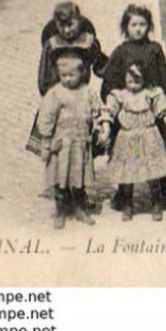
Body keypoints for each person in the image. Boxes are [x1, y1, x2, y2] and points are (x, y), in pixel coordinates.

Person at [100, 4, 166, 211]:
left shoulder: (155, 50)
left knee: (156, 152)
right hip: (127, 111)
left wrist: (163, 97)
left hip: (151, 110)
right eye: (134, 24)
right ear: (126, 27)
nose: (138, 29)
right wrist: (115, 102)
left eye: (143, 24)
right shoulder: (121, 52)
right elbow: (110, 81)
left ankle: (164, 194)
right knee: (125, 153)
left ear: (149, 26)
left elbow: (164, 76)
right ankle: (123, 196)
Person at [99, 63, 166, 222]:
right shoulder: (120, 95)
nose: (133, 85)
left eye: (137, 81)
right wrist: (106, 130)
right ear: (124, 80)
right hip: (128, 138)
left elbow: (164, 113)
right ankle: (127, 204)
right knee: (128, 173)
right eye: (129, 81)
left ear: (145, 80)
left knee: (153, 172)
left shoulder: (151, 94)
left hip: (148, 136)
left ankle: (156, 202)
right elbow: (109, 113)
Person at [36, 51, 102, 229]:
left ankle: (80, 207)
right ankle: (60, 209)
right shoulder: (56, 94)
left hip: (80, 144)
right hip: (63, 145)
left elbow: (97, 111)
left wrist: (99, 127)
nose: (67, 79)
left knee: (79, 177)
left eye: (71, 75)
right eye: (63, 75)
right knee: (61, 177)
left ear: (82, 73)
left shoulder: (87, 92)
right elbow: (47, 118)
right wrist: (46, 142)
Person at [38, 2, 107, 97]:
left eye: (70, 25)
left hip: (81, 92)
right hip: (58, 93)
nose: (66, 30)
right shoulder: (52, 45)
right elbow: (45, 75)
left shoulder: (87, 42)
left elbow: (101, 65)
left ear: (78, 21)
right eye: (62, 26)